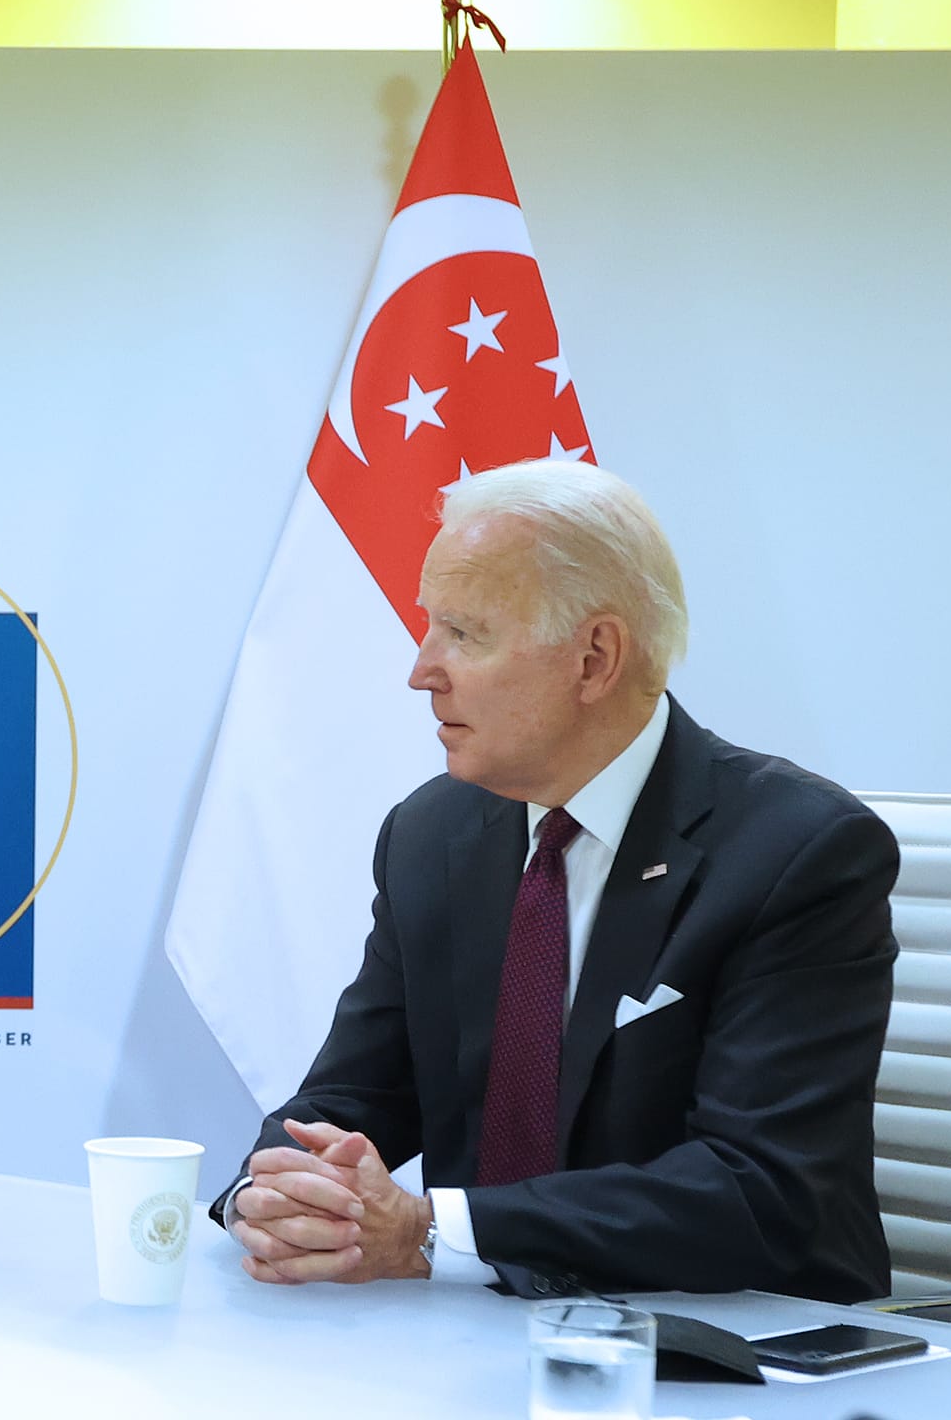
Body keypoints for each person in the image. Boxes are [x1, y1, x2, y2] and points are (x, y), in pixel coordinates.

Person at [213, 459, 896, 1301]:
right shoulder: (432, 835)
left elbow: (760, 1192)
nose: (422, 670)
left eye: (464, 634)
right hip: (481, 1344)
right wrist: (272, 1192)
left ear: (593, 658)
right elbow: (355, 1094)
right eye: (431, 628)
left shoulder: (798, 852)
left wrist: (434, 1231)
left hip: (733, 1353)